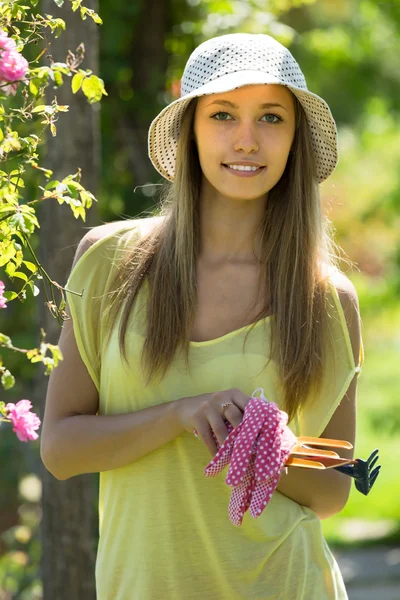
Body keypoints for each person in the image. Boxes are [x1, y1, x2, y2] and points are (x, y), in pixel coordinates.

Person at [41, 33, 364, 599]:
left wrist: (270, 446)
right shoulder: (109, 263)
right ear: (190, 130)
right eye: (222, 114)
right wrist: (181, 415)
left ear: (295, 140)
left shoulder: (325, 297)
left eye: (270, 117)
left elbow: (332, 491)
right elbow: (62, 450)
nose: (246, 140)